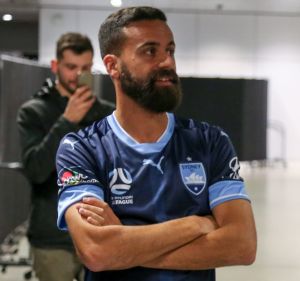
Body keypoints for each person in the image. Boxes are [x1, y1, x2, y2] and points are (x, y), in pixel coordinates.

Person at [55, 7, 257, 281]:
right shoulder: (81, 148)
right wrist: (197, 224)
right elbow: (96, 252)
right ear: (113, 65)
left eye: (170, 50)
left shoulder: (209, 141)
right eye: (150, 51)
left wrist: (124, 245)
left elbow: (242, 245)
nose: (167, 62)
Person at [17, 32, 114, 281]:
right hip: (52, 236)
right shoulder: (34, 112)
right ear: (55, 66)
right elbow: (36, 171)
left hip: (99, 232)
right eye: (71, 67)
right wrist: (67, 121)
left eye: (85, 68)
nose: (77, 75)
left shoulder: (107, 115)